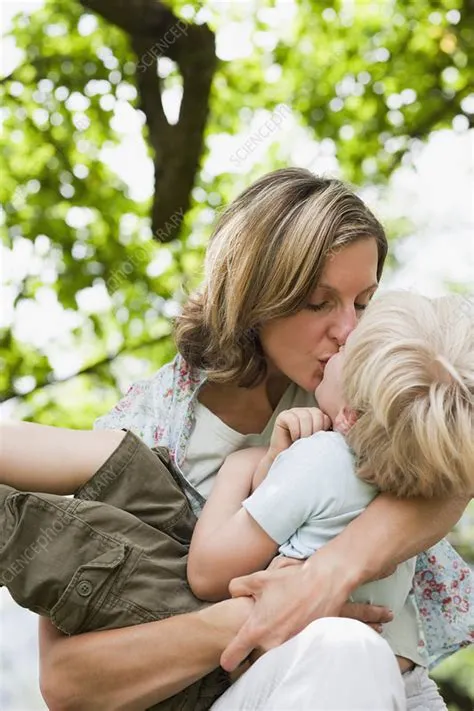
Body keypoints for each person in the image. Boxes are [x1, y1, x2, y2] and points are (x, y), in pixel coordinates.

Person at [31, 168, 471, 710]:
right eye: (318, 302)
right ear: (254, 296)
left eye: (362, 303)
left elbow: (457, 466)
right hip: (270, 690)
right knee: (343, 646)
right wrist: (258, 616)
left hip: (402, 693)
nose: (349, 332)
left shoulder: (357, 391)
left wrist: (329, 575)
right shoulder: (152, 435)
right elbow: (67, 683)